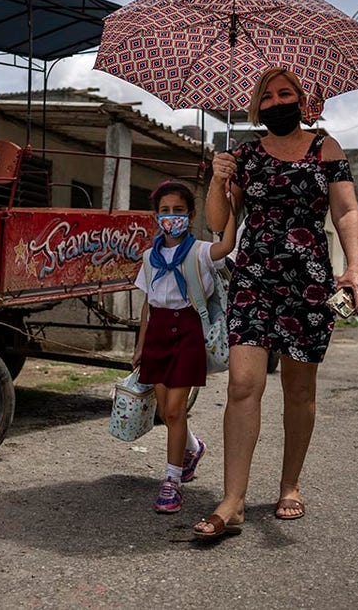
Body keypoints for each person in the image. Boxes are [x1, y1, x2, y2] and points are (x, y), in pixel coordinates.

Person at [193, 67, 358, 540]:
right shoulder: (245, 155)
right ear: (256, 108)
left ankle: (289, 485)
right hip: (253, 279)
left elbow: (347, 209)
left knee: (298, 389)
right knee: (242, 386)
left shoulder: (324, 147)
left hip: (308, 285)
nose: (276, 103)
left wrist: (354, 267)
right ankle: (232, 502)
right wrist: (219, 181)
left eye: (285, 94)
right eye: (267, 97)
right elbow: (221, 226)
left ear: (302, 99)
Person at [132, 180, 236, 514]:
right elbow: (148, 304)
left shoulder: (200, 251)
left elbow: (227, 245)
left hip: (188, 330)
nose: (171, 217)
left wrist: (231, 205)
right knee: (165, 411)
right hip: (159, 333)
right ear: (156, 217)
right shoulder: (150, 257)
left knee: (176, 410)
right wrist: (140, 344)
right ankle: (193, 447)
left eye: (178, 211)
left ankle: (171, 481)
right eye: (165, 211)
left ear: (190, 215)